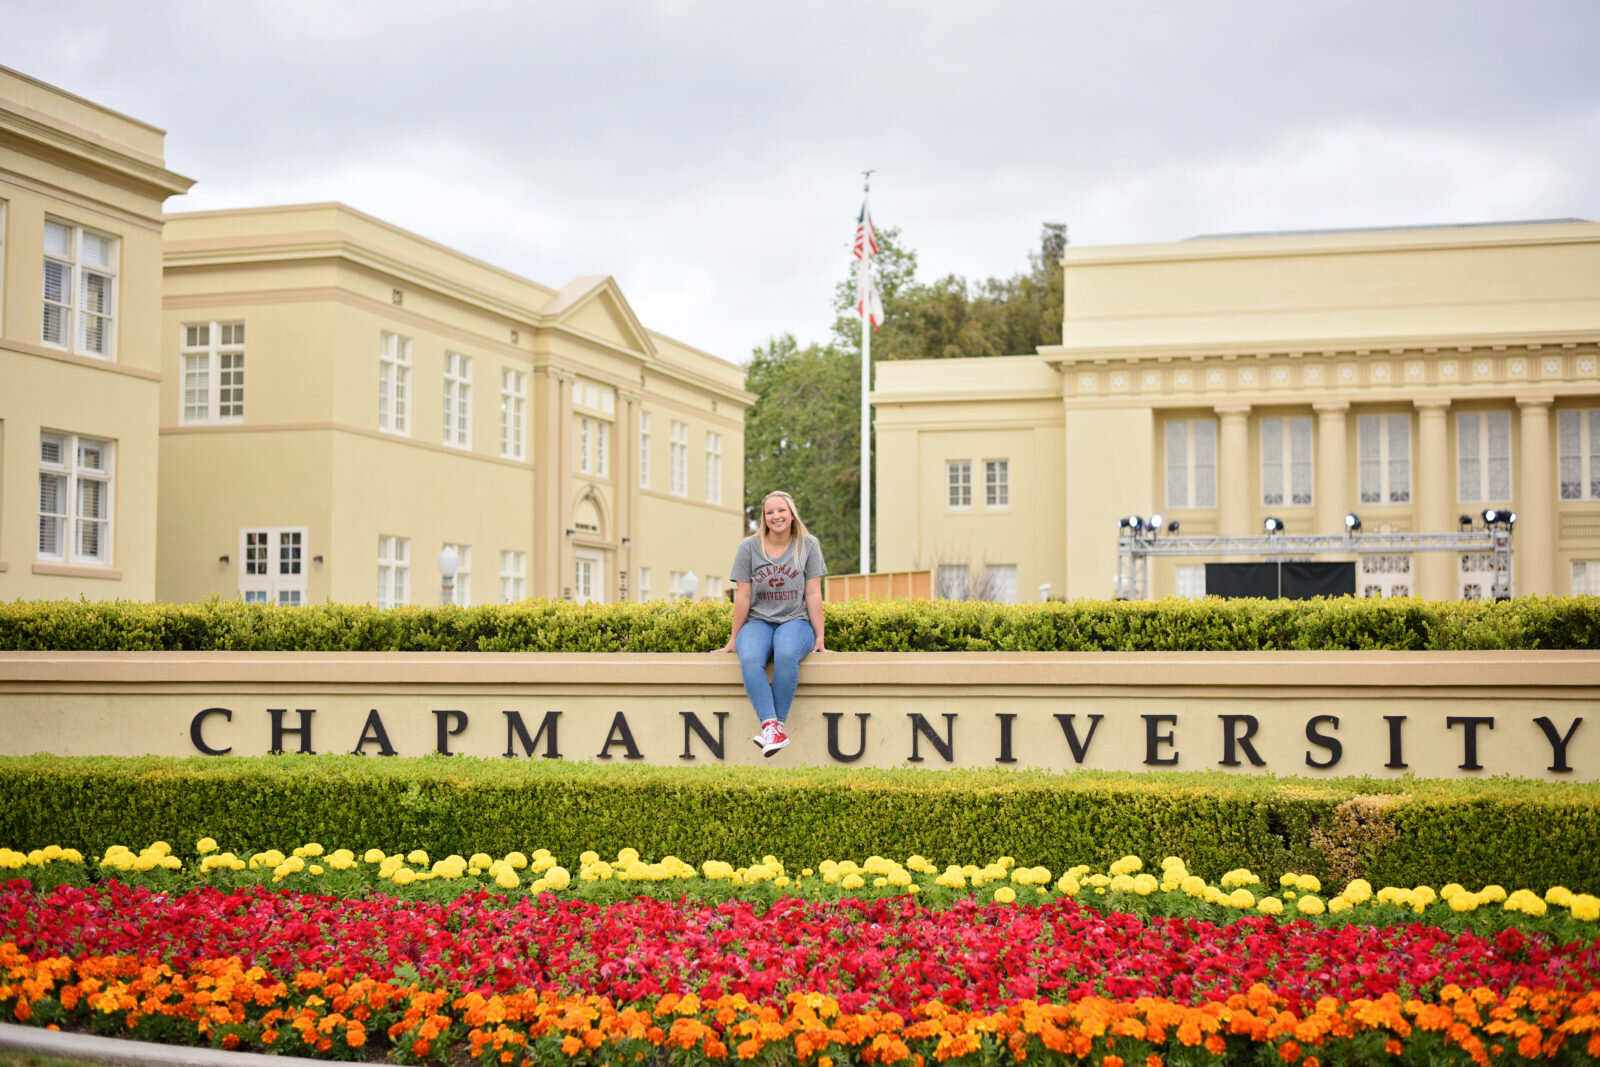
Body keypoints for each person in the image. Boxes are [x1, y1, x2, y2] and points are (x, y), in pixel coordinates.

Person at [716, 490, 829, 755]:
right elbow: (743, 595)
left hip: (795, 620)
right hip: (758, 620)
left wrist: (820, 637)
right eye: (769, 512)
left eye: (781, 511)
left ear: (791, 515)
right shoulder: (748, 548)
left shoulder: (808, 545)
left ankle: (774, 729)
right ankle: (771, 727)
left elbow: (813, 592)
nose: (776, 516)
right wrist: (734, 638)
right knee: (750, 655)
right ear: (764, 519)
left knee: (787, 652)